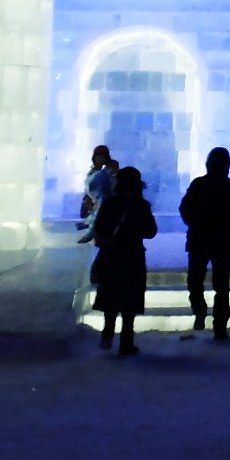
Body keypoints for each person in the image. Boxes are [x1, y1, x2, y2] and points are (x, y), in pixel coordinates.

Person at [178, 148, 230, 339]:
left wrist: (195, 222)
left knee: (195, 280)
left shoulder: (199, 184)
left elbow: (185, 208)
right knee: (222, 285)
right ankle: (220, 327)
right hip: (222, 240)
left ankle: (199, 310)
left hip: (199, 238)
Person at [90, 166, 157, 356]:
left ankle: (107, 333)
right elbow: (151, 231)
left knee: (111, 296)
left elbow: (100, 227)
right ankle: (127, 342)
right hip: (132, 256)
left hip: (112, 255)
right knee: (130, 300)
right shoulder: (140, 205)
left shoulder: (110, 203)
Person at [76, 145, 118, 244]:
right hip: (98, 204)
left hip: (105, 207)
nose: (99, 158)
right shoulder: (96, 172)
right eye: (98, 156)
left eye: (102, 156)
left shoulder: (104, 173)